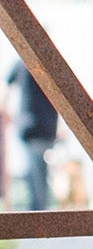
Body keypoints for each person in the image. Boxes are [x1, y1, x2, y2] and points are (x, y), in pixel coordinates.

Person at [7, 56, 58, 212]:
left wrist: (7, 110)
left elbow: (6, 88)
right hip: (45, 127)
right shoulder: (50, 62)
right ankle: (40, 213)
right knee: (38, 172)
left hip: (32, 126)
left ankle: (39, 214)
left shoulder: (22, 62)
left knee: (36, 173)